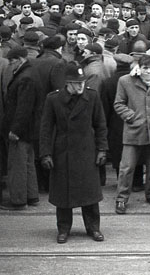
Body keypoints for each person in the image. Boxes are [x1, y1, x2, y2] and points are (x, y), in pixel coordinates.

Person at [39, 62, 108, 243]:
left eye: (82, 82)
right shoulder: (53, 99)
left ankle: (93, 228)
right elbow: (46, 128)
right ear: (68, 83)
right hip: (63, 153)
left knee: (90, 194)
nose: (80, 86)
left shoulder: (92, 97)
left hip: (87, 152)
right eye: (77, 83)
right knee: (63, 195)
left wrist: (102, 149)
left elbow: (100, 125)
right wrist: (45, 153)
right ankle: (63, 229)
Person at [113, 55, 150, 214]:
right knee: (126, 168)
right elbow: (118, 103)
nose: (148, 71)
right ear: (139, 68)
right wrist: (131, 117)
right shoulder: (125, 81)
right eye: (145, 68)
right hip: (133, 132)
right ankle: (121, 198)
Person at [0, 48, 41, 210]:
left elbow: (24, 107)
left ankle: (18, 200)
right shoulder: (29, 73)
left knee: (17, 165)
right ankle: (31, 196)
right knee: (28, 163)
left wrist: (15, 130)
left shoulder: (25, 77)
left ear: (20, 59)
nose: (10, 65)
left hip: (21, 129)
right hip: (29, 129)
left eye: (12, 61)